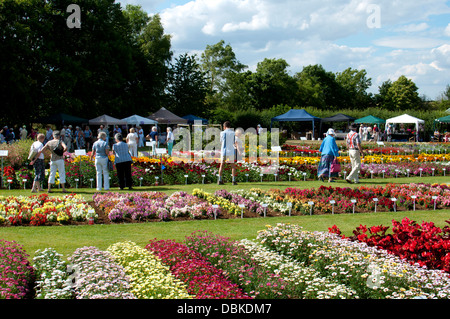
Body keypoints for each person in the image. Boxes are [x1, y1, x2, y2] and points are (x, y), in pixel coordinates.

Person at [218, 121, 238, 185]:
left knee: (222, 165)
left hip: (224, 150)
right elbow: (234, 142)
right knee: (233, 166)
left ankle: (220, 180)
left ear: (224, 126)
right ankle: (233, 180)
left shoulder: (222, 133)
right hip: (231, 150)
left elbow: (221, 141)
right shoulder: (233, 133)